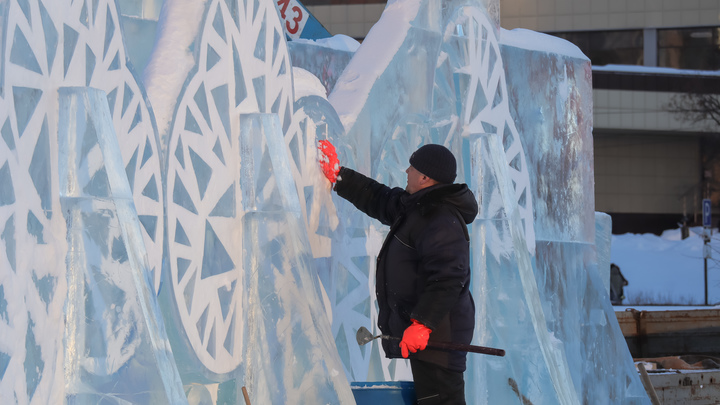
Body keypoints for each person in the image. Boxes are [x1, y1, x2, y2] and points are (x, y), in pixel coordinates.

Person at [318, 141, 478, 404]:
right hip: (427, 336)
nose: (406, 170)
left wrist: (423, 324)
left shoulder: (441, 219)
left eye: (412, 167)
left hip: (439, 338)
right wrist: (339, 175)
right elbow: (380, 198)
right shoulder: (418, 207)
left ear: (425, 177)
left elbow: (448, 277)